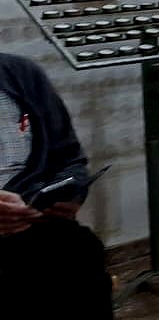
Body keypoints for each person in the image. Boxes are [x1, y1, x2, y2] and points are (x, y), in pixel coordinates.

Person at [0, 53, 111, 320]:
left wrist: (68, 195)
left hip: (31, 221)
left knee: (80, 252)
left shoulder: (22, 73)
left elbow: (70, 159)